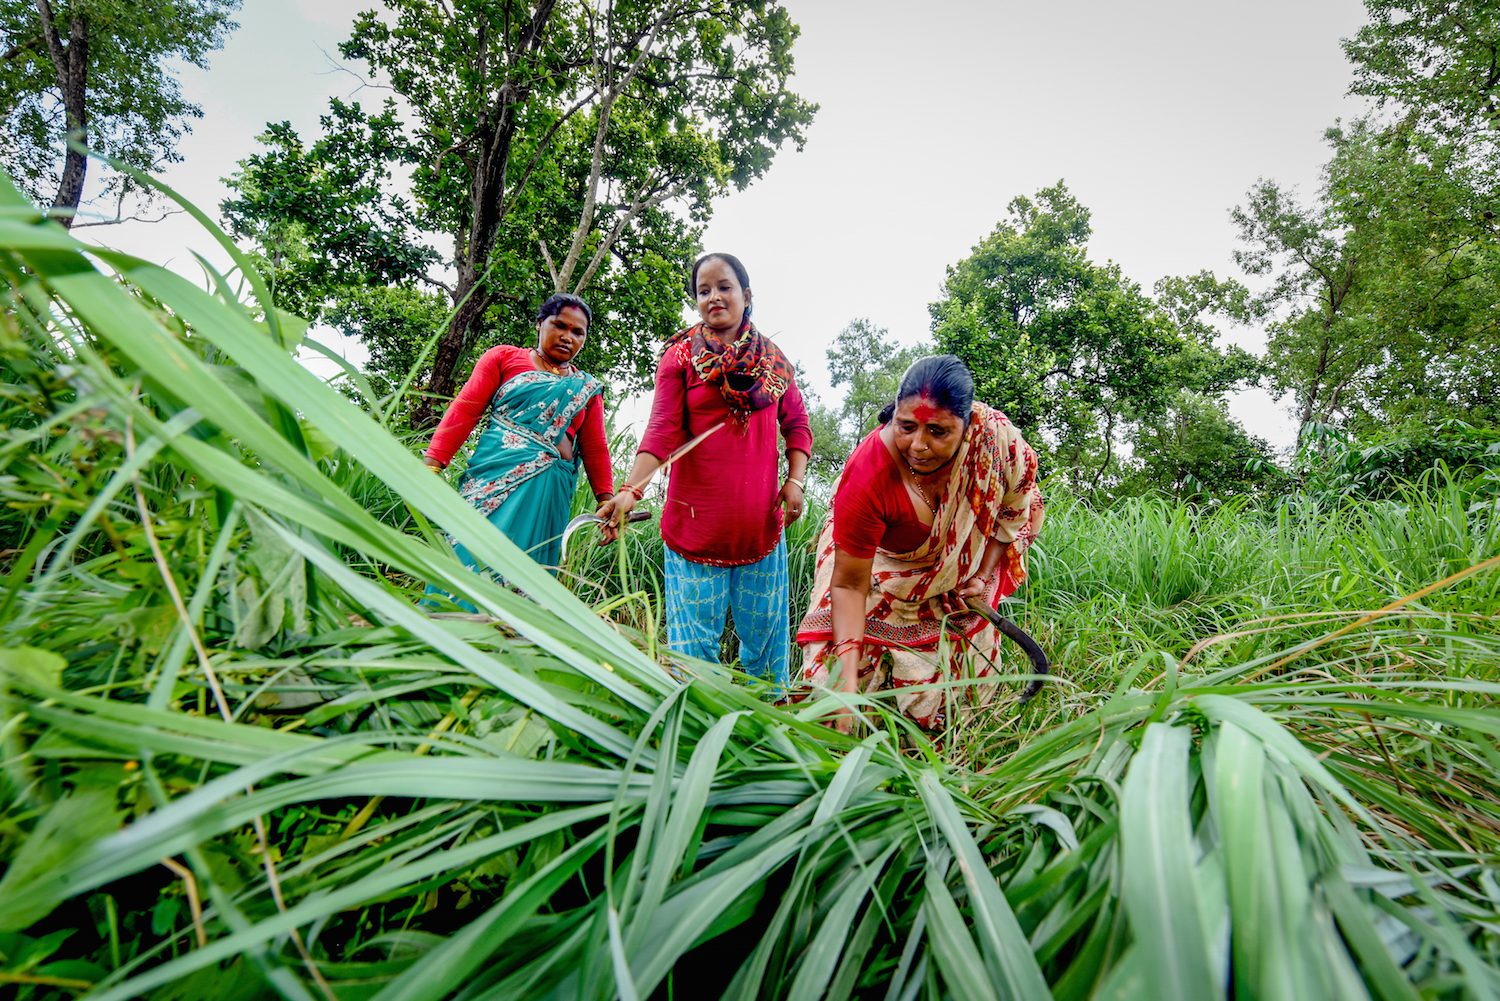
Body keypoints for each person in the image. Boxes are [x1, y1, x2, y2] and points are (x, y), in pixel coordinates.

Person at [792, 355, 1044, 734]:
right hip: (870, 560)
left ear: (968, 426)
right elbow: (847, 585)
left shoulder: (996, 446)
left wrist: (980, 575)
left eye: (938, 432)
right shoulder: (868, 475)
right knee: (834, 674)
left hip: (957, 563)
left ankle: (937, 745)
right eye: (906, 426)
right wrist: (845, 683)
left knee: (950, 667)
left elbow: (1012, 512)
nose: (919, 445)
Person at [597, 253, 812, 695]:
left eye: (724, 286)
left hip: (761, 534)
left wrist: (794, 480)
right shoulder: (679, 358)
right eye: (704, 290)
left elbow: (797, 425)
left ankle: (769, 739)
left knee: (768, 657)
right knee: (694, 662)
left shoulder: (774, 362)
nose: (714, 297)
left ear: (746, 295)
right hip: (693, 534)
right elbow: (660, 432)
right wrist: (629, 492)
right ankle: (698, 743)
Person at [423, 293, 616, 577]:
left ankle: (513, 622)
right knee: (473, 552)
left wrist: (605, 499)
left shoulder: (586, 387)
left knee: (528, 574)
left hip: (550, 495)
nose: (567, 337)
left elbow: (595, 447)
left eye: (578, 332)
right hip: (494, 479)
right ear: (539, 324)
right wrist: (432, 465)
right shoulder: (503, 358)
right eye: (559, 325)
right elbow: (464, 411)